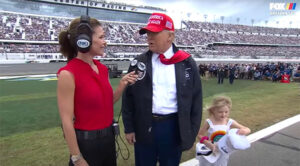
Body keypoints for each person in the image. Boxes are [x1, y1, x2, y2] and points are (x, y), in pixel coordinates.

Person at [121, 13, 203, 166]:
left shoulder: (186, 62)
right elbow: (128, 98)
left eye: (155, 33)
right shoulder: (138, 62)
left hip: (173, 127)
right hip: (144, 126)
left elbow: (196, 101)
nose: (149, 37)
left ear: (170, 36)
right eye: (148, 33)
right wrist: (129, 128)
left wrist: (190, 133)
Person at [56, 15, 138, 166]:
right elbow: (66, 121)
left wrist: (122, 85)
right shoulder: (67, 74)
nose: (105, 42)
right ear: (84, 40)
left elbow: (106, 104)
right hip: (86, 147)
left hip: (108, 142)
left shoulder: (102, 69)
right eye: (101, 37)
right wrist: (77, 158)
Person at [197, 96, 251, 166]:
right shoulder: (209, 122)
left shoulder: (229, 122)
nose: (223, 114)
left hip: (223, 151)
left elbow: (247, 129)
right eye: (220, 112)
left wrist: (245, 131)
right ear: (213, 110)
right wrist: (207, 143)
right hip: (210, 150)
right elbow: (199, 135)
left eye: (226, 112)